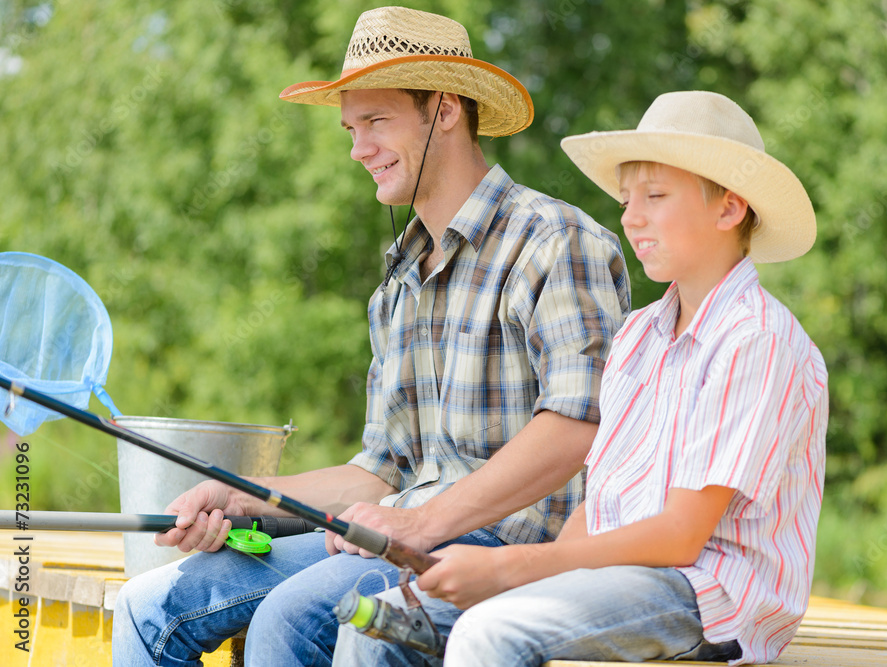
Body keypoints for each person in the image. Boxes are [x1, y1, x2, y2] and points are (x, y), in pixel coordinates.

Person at [111, 7, 630, 666]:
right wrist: (241, 496)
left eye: (377, 121)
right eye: (351, 128)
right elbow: (378, 471)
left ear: (443, 111)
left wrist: (420, 521)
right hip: (399, 535)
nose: (358, 148)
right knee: (145, 604)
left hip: (508, 549)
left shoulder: (556, 241)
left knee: (289, 622)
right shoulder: (396, 285)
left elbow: (579, 425)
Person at [333, 90, 829, 666]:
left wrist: (507, 568)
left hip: (702, 594)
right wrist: (519, 581)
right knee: (380, 627)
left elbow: (679, 537)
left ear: (728, 209)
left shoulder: (756, 340)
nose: (630, 217)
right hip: (613, 575)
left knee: (489, 634)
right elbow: (600, 506)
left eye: (655, 197)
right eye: (626, 199)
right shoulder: (641, 335)